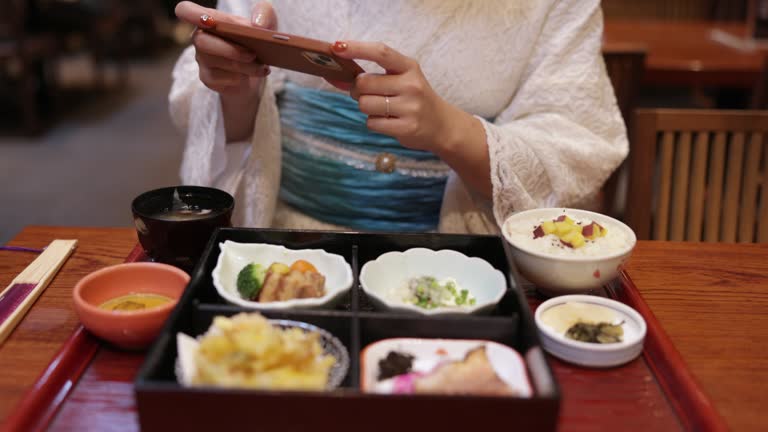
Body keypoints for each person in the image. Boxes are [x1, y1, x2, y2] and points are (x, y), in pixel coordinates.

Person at [170, 0, 628, 234]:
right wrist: (237, 83)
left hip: (461, 254)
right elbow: (212, 115)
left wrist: (452, 131)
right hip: (286, 237)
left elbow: (576, 138)